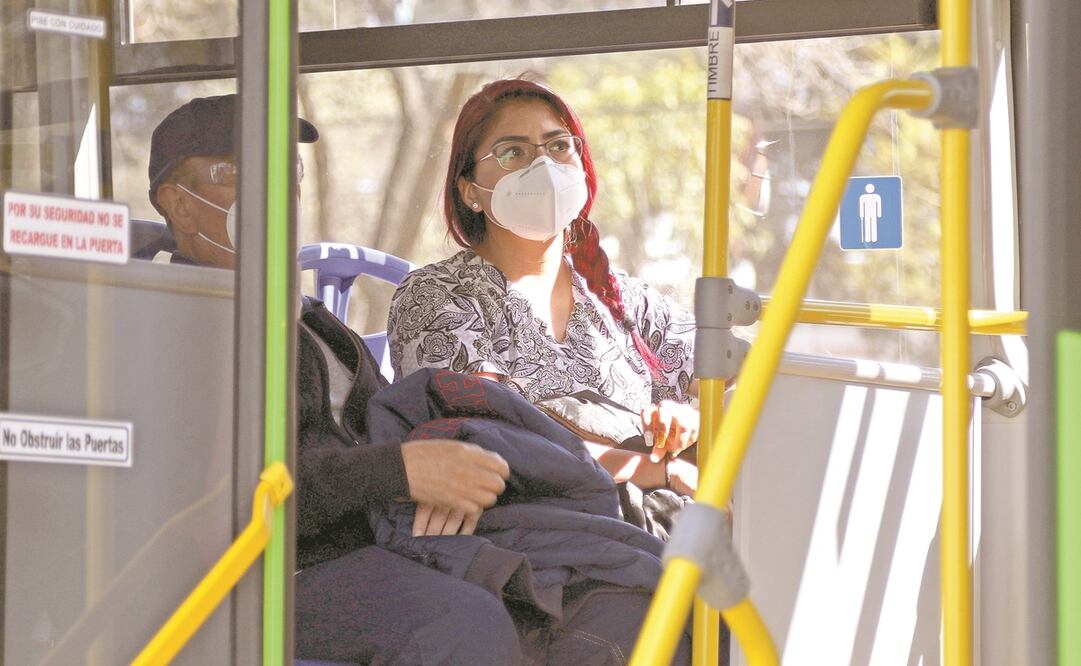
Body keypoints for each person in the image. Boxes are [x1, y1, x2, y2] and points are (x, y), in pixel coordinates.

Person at [147, 94, 690, 665]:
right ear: (177, 205)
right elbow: (217, 495)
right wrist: (401, 471)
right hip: (273, 568)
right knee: (466, 623)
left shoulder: (303, 319)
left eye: (285, 168)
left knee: (600, 593)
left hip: (385, 535)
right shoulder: (178, 323)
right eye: (237, 171)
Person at [387, 78, 702, 497]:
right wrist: (658, 472)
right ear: (469, 192)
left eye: (558, 146)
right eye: (513, 152)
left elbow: (743, 377)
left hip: (660, 526)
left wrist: (693, 413)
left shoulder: (619, 299)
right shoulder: (437, 296)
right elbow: (492, 442)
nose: (544, 168)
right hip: (546, 537)